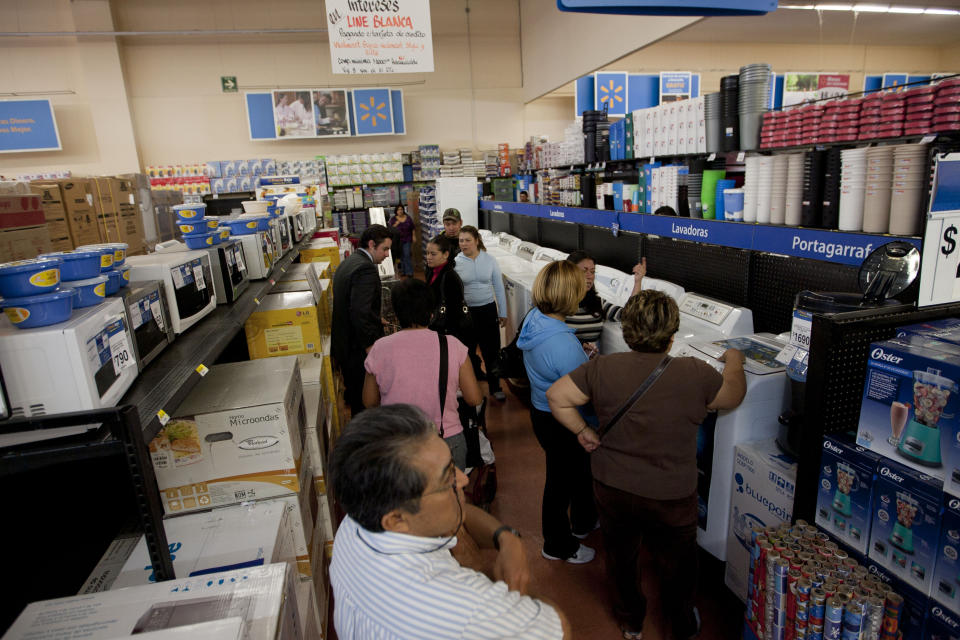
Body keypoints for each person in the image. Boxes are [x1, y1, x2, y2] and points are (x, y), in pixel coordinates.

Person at [546, 290, 746, 640]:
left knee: (622, 558)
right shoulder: (695, 373)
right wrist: (734, 361)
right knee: (679, 565)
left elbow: (556, 397)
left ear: (627, 332)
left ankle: (630, 622)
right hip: (671, 493)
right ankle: (681, 624)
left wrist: (584, 431)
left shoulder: (601, 368)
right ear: (671, 337)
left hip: (613, 486)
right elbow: (733, 395)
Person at [329, 404, 570, 640]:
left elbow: (457, 508)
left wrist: (505, 538)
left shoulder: (356, 524)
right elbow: (557, 628)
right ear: (396, 520)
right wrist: (502, 580)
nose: (464, 480)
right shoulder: (460, 609)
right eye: (447, 479)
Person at [517, 260, 597, 564]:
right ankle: (558, 544)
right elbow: (584, 390)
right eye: (579, 288)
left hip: (542, 412)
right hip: (562, 420)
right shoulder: (562, 342)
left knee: (572, 473)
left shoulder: (535, 319)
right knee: (560, 483)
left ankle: (582, 522)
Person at [362, 279, 482, 470]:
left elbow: (369, 401)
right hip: (446, 439)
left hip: (398, 443)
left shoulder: (380, 348)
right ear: (432, 313)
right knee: (450, 497)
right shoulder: (452, 345)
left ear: (395, 313)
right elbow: (474, 398)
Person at [331, 224, 392, 415]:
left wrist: (376, 318)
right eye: (385, 249)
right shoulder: (365, 270)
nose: (388, 255)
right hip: (357, 351)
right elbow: (360, 313)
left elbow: (353, 305)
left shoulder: (350, 262)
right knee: (365, 403)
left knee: (357, 399)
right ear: (372, 244)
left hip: (345, 346)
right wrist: (370, 349)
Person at [455, 226, 508, 401]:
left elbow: (499, 288)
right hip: (466, 312)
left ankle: (495, 386)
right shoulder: (456, 262)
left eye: (467, 240)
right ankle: (468, 387)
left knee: (491, 351)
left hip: (487, 310)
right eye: (461, 240)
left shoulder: (490, 260)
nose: (464, 244)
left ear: (476, 240)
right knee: (467, 352)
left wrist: (503, 311)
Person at [565, 250, 647, 353]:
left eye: (592, 271)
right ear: (569, 273)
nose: (589, 276)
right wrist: (580, 344)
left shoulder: (597, 302)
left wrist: (637, 281)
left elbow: (629, 314)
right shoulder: (557, 302)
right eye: (584, 271)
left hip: (591, 363)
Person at [425, 234, 470, 347]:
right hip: (436, 327)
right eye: (427, 253)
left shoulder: (450, 277)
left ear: (445, 254)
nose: (428, 257)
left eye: (433, 254)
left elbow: (455, 312)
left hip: (448, 333)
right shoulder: (431, 271)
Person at [388, 204, 415, 278]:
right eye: (398, 210)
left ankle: (409, 272)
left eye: (401, 209)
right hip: (398, 240)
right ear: (396, 211)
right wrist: (395, 225)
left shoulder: (408, 218)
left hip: (407, 239)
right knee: (401, 256)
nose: (400, 211)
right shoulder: (393, 219)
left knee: (407, 255)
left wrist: (414, 236)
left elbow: (412, 228)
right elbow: (390, 229)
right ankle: (403, 271)